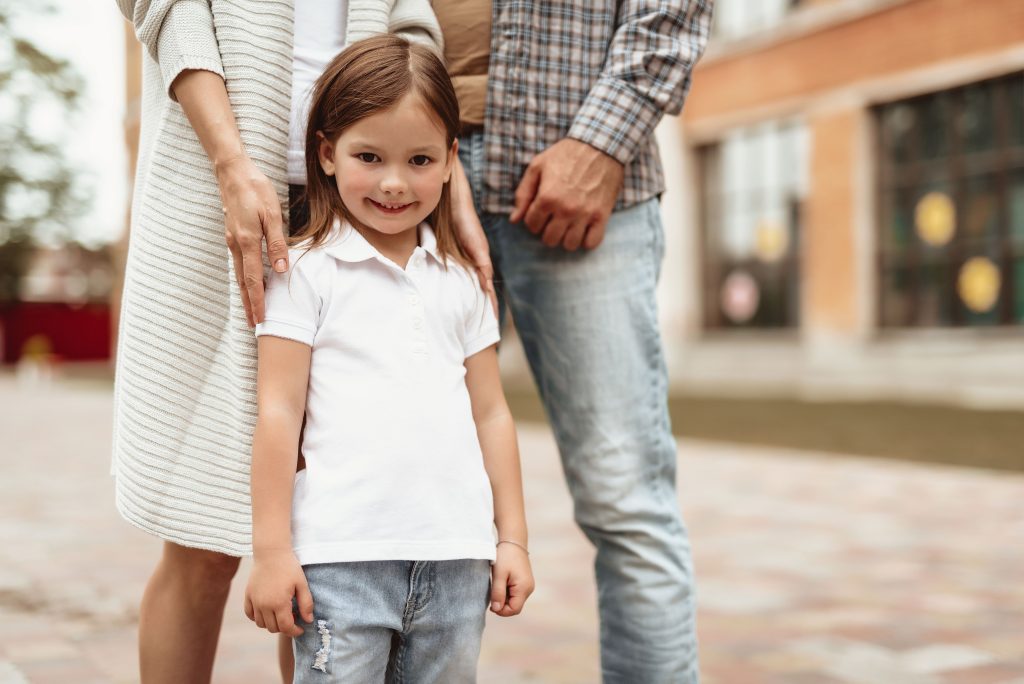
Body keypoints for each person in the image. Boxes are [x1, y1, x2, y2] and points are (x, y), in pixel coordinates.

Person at [112, 2, 492, 682]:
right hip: (215, 189)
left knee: (332, 538)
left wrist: (441, 171)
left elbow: (412, 26)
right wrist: (231, 161)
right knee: (200, 539)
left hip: (365, 200)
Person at [432, 2, 714, 682]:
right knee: (392, 498)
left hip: (586, 181)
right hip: (411, 180)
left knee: (627, 503)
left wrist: (602, 141)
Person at [242, 35, 533, 682]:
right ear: (326, 153)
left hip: (459, 564)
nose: (395, 183)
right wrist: (270, 550)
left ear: (451, 161)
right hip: (340, 563)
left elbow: (492, 416)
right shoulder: (304, 272)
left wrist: (510, 537)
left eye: (420, 159)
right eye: (369, 156)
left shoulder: (462, 281)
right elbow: (277, 411)